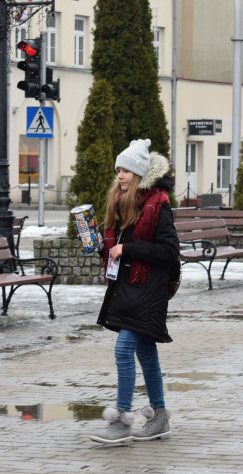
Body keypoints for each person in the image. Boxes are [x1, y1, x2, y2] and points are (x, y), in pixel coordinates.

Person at [88, 138, 180, 445]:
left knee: (124, 349)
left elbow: (168, 251)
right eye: (118, 169)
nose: (120, 175)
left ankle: (122, 421)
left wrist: (127, 248)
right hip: (127, 289)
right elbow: (117, 250)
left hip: (150, 290)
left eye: (126, 170)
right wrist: (101, 246)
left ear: (139, 173)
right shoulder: (121, 203)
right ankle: (160, 418)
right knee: (145, 354)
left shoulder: (158, 205)